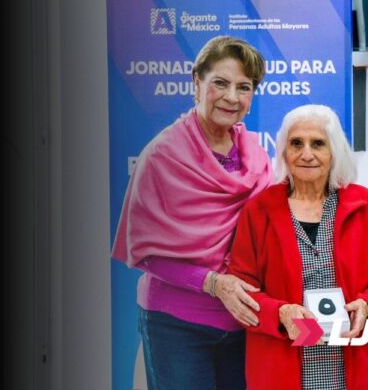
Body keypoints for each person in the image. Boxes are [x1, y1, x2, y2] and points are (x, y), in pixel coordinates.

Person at [111, 35, 271, 390]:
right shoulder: (161, 156)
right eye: (220, 83)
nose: (232, 97)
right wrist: (214, 283)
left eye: (244, 87)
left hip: (244, 323)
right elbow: (146, 253)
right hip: (177, 325)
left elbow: (268, 237)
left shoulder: (257, 156)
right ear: (196, 82)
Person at [228, 104, 368, 390]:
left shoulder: (364, 204)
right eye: (296, 143)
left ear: (334, 151)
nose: (306, 154)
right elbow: (241, 292)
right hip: (279, 370)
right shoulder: (258, 211)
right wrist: (279, 313)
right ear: (284, 151)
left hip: (351, 367)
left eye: (318, 144)